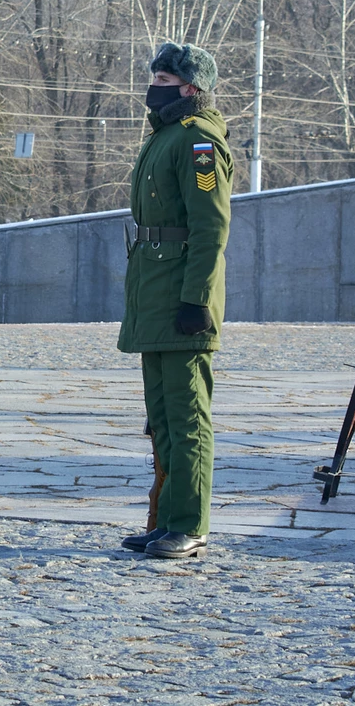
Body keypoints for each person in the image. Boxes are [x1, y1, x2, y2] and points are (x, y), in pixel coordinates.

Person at [118, 41, 231, 561]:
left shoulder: (198, 142)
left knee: (188, 418)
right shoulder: (164, 136)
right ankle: (165, 519)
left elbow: (210, 227)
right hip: (154, 293)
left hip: (182, 298)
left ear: (190, 88)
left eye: (164, 81)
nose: (154, 88)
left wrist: (197, 299)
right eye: (155, 78)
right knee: (161, 417)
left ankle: (190, 523)